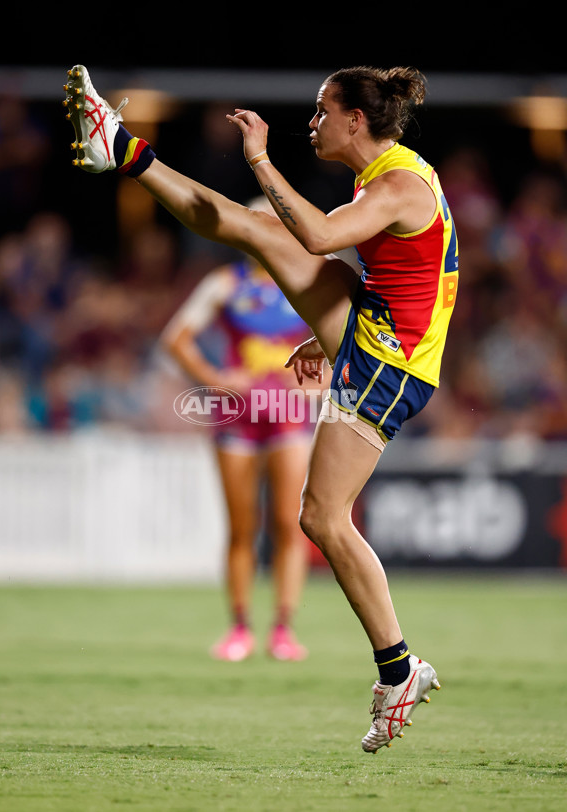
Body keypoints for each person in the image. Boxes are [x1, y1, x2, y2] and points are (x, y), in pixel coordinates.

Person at [63, 63, 458, 753]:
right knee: (247, 228)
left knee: (319, 517)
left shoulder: (396, 182)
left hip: (389, 362)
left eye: (321, 110)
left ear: (354, 120)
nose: (313, 121)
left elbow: (319, 238)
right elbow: (421, 273)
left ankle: (400, 669)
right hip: (375, 333)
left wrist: (259, 158)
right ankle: (120, 147)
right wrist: (328, 330)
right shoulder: (393, 173)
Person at [161, 207, 317, 661]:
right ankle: (241, 627)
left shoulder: (305, 279)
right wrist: (214, 376)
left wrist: (317, 380)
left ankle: (283, 628)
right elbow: (176, 339)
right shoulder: (226, 284)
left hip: (288, 415)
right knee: (242, 527)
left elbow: (348, 337)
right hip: (239, 417)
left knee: (291, 524)